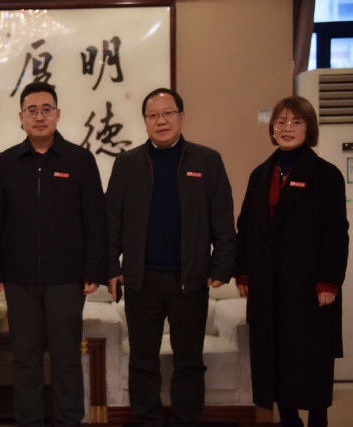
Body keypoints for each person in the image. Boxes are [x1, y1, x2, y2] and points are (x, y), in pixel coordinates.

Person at [106, 87, 236, 427]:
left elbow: (223, 219)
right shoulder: (127, 164)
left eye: (167, 113)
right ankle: (147, 421)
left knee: (189, 361)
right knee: (142, 361)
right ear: (145, 121)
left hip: (190, 280)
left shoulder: (207, 161)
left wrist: (222, 265)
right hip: (141, 280)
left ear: (182, 116)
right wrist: (111, 266)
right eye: (153, 115)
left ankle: (185, 421)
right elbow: (111, 222)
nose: (161, 120)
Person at [0, 81, 107, 426]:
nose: (39, 117)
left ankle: (70, 420)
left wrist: (93, 269)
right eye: (32, 110)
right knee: (24, 359)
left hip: (66, 279)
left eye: (46, 110)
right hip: (19, 279)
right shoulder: (6, 163)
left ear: (58, 114)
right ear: (21, 117)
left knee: (66, 358)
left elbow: (95, 219)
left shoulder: (80, 160)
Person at [235, 96, 348, 427]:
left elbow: (335, 233)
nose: (287, 128)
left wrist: (329, 281)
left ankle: (317, 420)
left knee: (311, 361)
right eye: (281, 122)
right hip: (267, 288)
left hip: (310, 288)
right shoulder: (259, 174)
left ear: (308, 128)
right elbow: (246, 228)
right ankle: (288, 420)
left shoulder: (326, 174)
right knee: (276, 361)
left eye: (296, 122)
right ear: (272, 128)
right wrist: (243, 273)